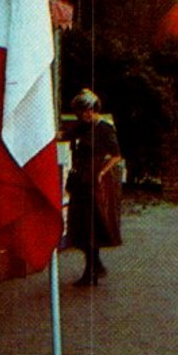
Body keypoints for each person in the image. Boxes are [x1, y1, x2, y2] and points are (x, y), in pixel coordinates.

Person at [66, 90, 123, 286]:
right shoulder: (83, 127)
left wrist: (102, 172)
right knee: (81, 224)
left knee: (92, 225)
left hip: (95, 182)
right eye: (80, 113)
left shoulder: (105, 129)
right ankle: (94, 265)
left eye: (85, 112)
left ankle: (91, 270)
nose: (83, 116)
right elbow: (65, 135)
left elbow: (116, 155)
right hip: (82, 178)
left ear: (92, 109)